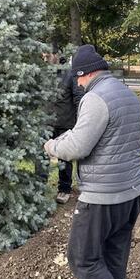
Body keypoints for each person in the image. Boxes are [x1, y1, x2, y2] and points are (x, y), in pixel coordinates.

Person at [43, 45, 140, 279]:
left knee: (82, 258)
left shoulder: (95, 97)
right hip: (132, 192)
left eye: (77, 79)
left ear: (84, 74)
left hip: (103, 196)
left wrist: (53, 146)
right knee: (113, 257)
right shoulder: (125, 93)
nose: (77, 85)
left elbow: (79, 144)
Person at [47, 54, 84, 204]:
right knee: (41, 156)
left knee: (64, 158)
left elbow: (78, 97)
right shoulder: (42, 73)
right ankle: (38, 187)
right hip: (46, 122)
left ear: (56, 54)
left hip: (66, 123)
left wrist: (79, 121)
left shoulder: (69, 74)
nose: (45, 57)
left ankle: (64, 189)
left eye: (48, 54)